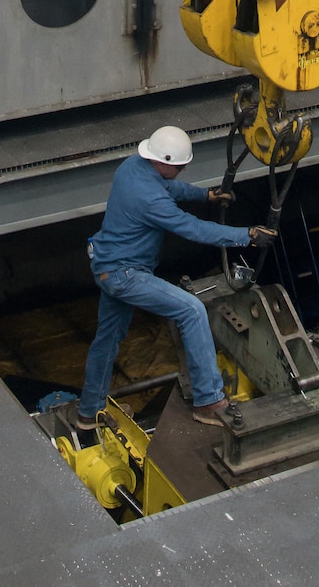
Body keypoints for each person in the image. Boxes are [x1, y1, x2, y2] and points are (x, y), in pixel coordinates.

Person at [75, 123, 276, 436]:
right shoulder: (150, 201)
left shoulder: (133, 167)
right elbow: (193, 229)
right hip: (125, 275)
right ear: (164, 162)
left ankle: (89, 411)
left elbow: (170, 188)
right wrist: (246, 235)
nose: (182, 170)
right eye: (180, 166)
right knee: (191, 310)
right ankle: (208, 401)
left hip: (105, 264)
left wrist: (205, 195)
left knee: (108, 338)